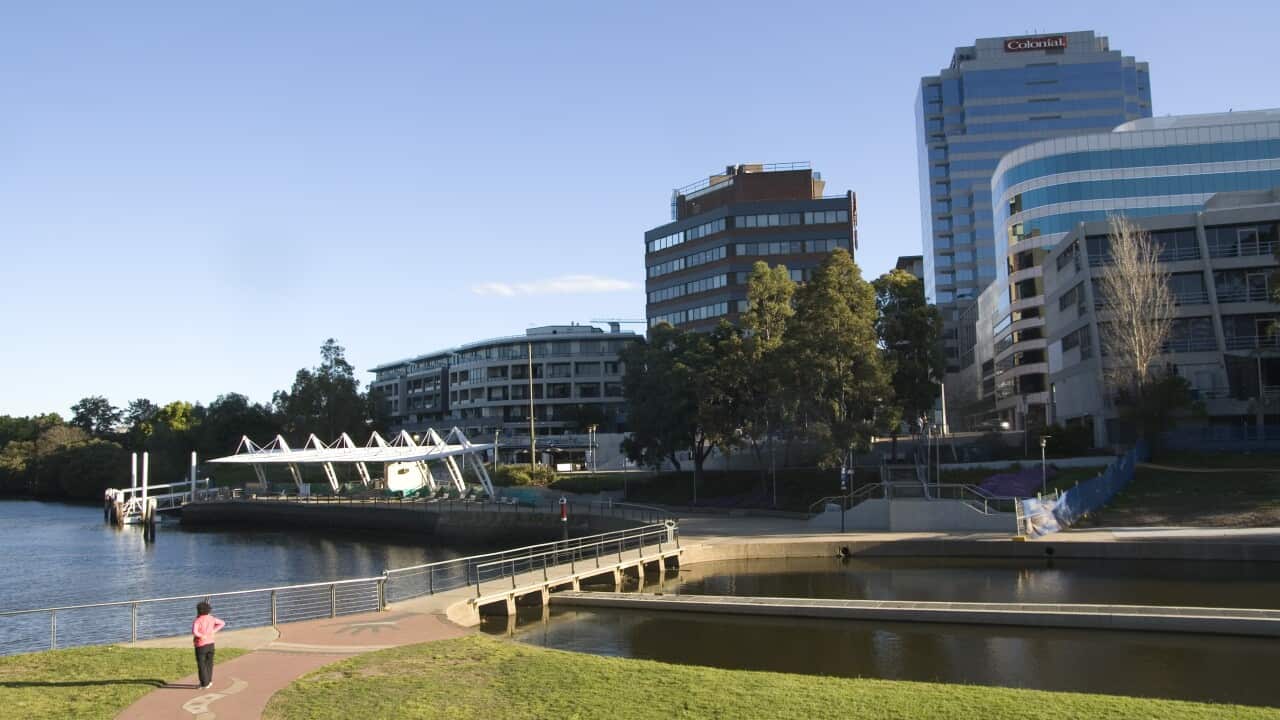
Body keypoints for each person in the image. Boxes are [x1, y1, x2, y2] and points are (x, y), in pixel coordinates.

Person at [192, 601, 226, 689]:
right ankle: (209, 681)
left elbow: (194, 632)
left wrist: (201, 635)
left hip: (201, 645)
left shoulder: (197, 620)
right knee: (209, 663)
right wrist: (213, 631)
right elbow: (222, 623)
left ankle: (204, 683)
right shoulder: (211, 618)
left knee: (202, 664)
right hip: (211, 644)